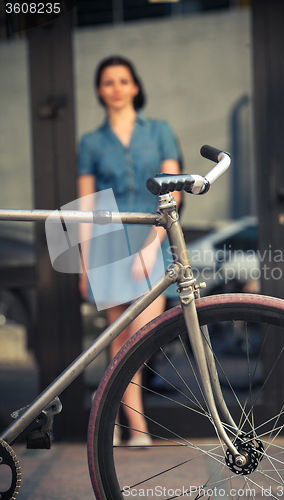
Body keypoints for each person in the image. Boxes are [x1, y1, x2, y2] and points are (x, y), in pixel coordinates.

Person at [77, 56, 181, 447]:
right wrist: (86, 265)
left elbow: (172, 192)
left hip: (150, 240)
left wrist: (153, 246)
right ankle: (130, 429)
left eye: (123, 81)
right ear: (100, 90)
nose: (116, 88)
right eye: (108, 82)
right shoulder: (90, 142)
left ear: (135, 86)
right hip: (105, 245)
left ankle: (124, 423)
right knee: (118, 341)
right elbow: (87, 206)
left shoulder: (161, 132)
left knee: (140, 338)